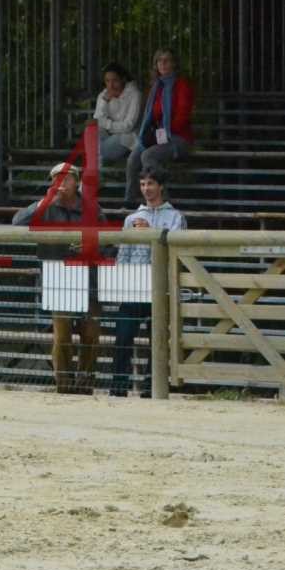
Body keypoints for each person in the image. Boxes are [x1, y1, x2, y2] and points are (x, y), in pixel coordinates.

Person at [12, 162, 100, 393]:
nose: (60, 183)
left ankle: (85, 384)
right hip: (58, 279)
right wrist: (43, 202)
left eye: (66, 178)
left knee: (90, 333)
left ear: (76, 181)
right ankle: (64, 385)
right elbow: (17, 223)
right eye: (56, 179)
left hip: (88, 279)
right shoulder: (46, 206)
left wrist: (90, 247)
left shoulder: (92, 209)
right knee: (62, 337)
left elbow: (108, 242)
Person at [110, 167, 186, 397]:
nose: (146, 189)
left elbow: (176, 251)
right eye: (142, 184)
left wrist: (151, 231)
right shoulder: (131, 218)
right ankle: (118, 387)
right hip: (134, 286)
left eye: (150, 184)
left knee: (158, 341)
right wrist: (119, 282)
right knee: (122, 339)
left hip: (160, 287)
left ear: (161, 186)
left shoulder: (176, 217)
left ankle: (150, 388)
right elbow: (123, 253)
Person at [124, 48, 194, 207]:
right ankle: (129, 203)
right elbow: (150, 118)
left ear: (174, 64)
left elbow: (182, 116)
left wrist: (161, 135)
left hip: (178, 138)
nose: (163, 63)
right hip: (158, 137)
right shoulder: (156, 87)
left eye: (167, 60)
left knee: (148, 156)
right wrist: (152, 135)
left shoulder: (181, 85)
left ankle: (162, 202)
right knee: (132, 159)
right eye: (159, 60)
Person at [92, 61, 141, 165]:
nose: (111, 85)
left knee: (98, 149)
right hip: (108, 138)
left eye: (115, 80)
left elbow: (129, 126)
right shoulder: (103, 95)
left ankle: (98, 167)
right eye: (107, 81)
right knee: (91, 131)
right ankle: (99, 167)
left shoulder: (134, 94)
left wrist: (107, 124)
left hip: (127, 139)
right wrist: (105, 101)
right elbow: (97, 120)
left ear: (123, 79)